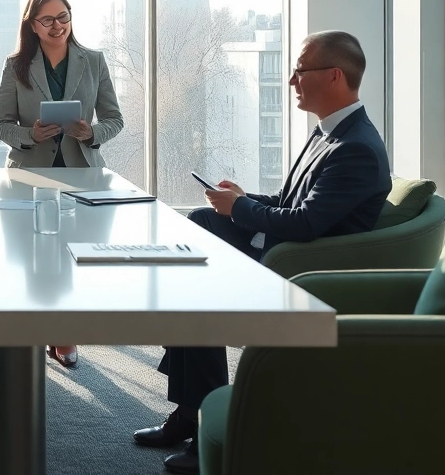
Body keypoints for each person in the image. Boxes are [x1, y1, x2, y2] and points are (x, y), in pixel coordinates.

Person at [133, 30, 390, 474]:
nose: (291, 80)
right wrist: (244, 200)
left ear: (333, 76)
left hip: (302, 266)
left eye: (300, 70)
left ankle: (200, 416)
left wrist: (244, 209)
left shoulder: (356, 149)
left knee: (196, 284)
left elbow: (307, 224)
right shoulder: (329, 133)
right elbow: (294, 203)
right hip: (286, 248)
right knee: (198, 225)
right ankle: (189, 412)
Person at [0, 0, 124, 369]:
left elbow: (115, 118)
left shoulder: (93, 61)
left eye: (63, 16)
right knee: (33, 256)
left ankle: (65, 333)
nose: (57, 26)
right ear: (32, 25)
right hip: (30, 173)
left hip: (81, 171)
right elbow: (0, 124)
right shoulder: (16, 64)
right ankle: (37, 329)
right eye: (47, 19)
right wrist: (29, 135)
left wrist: (92, 133)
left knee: (74, 256)